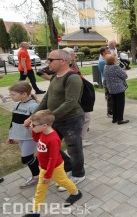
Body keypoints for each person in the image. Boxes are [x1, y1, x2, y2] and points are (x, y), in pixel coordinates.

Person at [24, 49, 86, 189]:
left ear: (63, 61)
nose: (48, 62)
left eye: (51, 60)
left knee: (74, 149)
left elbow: (71, 102)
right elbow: (46, 99)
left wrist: (47, 120)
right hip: (54, 120)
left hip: (71, 120)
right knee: (48, 146)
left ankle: (78, 174)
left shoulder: (73, 78)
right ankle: (68, 165)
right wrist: (32, 117)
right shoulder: (54, 77)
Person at [23, 110, 82, 217]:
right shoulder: (42, 132)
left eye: (34, 124)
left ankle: (76, 193)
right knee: (40, 189)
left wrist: (48, 175)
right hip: (44, 167)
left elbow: (53, 159)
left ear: (44, 125)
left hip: (54, 168)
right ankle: (36, 212)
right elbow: (36, 138)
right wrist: (32, 129)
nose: (32, 126)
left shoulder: (53, 139)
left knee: (64, 181)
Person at [7, 82, 40, 189]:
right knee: (28, 157)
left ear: (24, 94)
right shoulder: (17, 104)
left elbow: (38, 123)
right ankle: (38, 173)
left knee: (26, 158)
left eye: (13, 94)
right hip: (20, 136)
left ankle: (37, 176)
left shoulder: (34, 106)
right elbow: (13, 121)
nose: (11, 96)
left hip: (30, 137)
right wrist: (11, 135)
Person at [103, 54, 129, 125]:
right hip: (119, 88)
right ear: (113, 60)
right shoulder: (115, 67)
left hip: (111, 88)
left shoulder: (105, 67)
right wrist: (123, 71)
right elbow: (125, 76)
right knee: (120, 104)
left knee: (114, 103)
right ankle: (120, 119)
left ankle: (114, 119)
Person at [98, 46, 113, 118]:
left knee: (111, 96)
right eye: (108, 51)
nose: (109, 52)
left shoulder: (104, 60)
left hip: (109, 80)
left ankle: (112, 111)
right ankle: (110, 112)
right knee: (109, 97)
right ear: (103, 53)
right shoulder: (103, 61)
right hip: (107, 81)